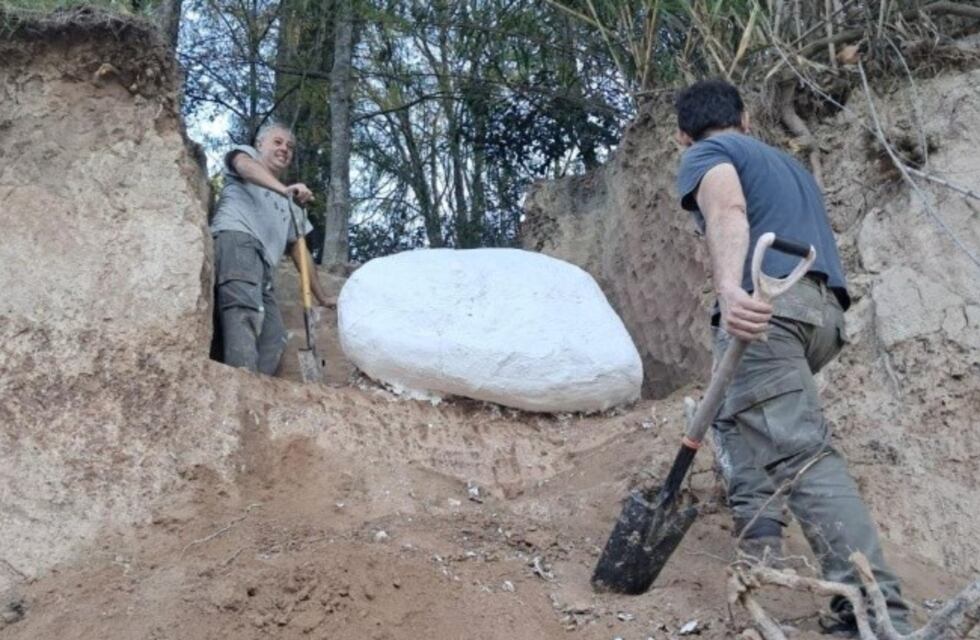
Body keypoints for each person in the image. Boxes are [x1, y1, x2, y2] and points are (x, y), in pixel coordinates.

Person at [674, 79, 910, 635]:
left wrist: (731, 290)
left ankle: (874, 613)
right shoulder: (788, 167)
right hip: (821, 316)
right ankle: (760, 539)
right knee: (736, 415)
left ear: (682, 136)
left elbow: (727, 208)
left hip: (771, 309)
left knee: (802, 456)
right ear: (747, 119)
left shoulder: (709, 153)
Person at [210, 121, 330, 375]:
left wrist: (321, 296)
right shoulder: (246, 156)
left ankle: (255, 390)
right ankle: (238, 387)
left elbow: (300, 252)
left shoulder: (291, 206)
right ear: (260, 144)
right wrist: (284, 190)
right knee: (244, 313)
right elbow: (244, 166)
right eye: (277, 142)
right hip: (238, 241)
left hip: (264, 266)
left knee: (274, 336)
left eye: (290, 146)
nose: (284, 148)